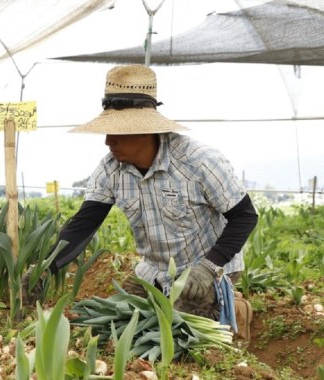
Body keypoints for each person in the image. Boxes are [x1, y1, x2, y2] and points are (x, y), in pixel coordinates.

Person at [22, 64, 258, 338]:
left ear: (146, 131)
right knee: (112, 324)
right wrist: (45, 267)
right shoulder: (111, 170)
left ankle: (235, 308)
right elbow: (83, 225)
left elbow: (245, 216)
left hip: (204, 269)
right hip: (154, 270)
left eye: (117, 133)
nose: (108, 141)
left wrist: (209, 266)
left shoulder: (198, 161)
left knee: (180, 333)